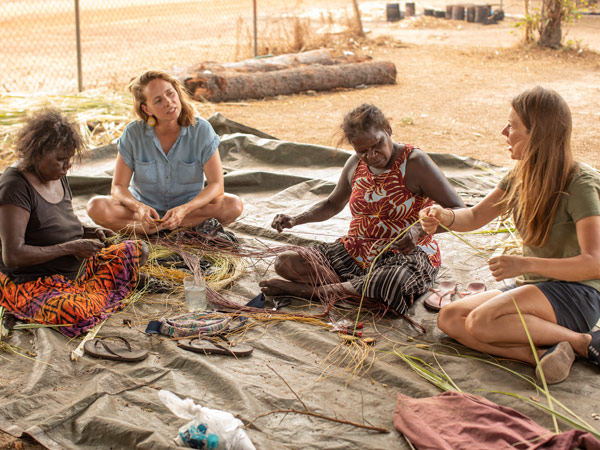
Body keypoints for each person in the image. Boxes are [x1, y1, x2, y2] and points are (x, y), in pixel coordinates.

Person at [419, 86, 600, 384]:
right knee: (449, 318)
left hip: (576, 293)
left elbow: (594, 263)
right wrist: (444, 216)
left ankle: (582, 341)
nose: (504, 131)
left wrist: (525, 264)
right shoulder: (521, 175)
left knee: (482, 321)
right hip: (536, 287)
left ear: (538, 134)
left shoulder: (580, 184)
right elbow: (476, 216)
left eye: (513, 126)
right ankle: (544, 354)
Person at [259, 104, 464, 314]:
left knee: (390, 282)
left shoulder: (415, 162)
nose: (372, 155)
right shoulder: (355, 163)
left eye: (377, 145)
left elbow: (459, 209)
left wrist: (418, 231)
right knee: (286, 262)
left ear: (388, 130)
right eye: (362, 151)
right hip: (355, 251)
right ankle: (350, 289)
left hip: (405, 255)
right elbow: (331, 204)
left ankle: (306, 292)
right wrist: (295, 219)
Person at [0, 109, 148, 337]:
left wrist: (89, 231)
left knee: (138, 250)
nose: (66, 166)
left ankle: (92, 292)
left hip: (76, 268)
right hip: (34, 280)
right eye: (60, 160)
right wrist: (70, 247)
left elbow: (59, 222)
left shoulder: (57, 175)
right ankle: (102, 291)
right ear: (38, 153)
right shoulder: (14, 186)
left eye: (69, 160)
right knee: (73, 312)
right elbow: (13, 255)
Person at [86, 70, 243, 235]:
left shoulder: (201, 130)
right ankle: (155, 227)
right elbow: (118, 186)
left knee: (233, 205)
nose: (169, 102)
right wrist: (139, 208)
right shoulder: (133, 133)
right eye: (158, 100)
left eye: (170, 94)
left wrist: (184, 210)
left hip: (189, 212)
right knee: (96, 206)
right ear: (147, 109)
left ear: (177, 93)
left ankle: (164, 228)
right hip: (143, 215)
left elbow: (216, 185)